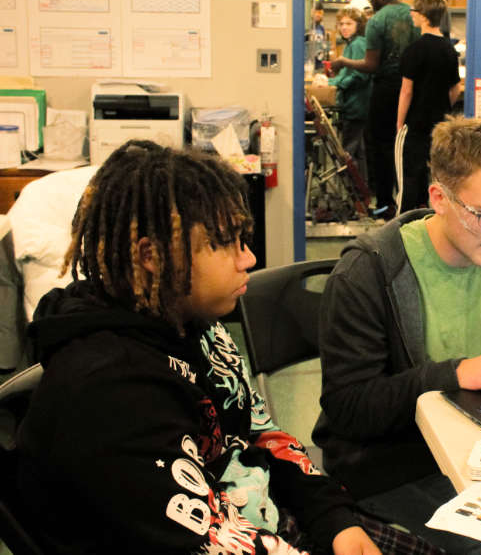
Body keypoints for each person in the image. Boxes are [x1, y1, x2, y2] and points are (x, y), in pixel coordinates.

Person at [15, 140, 438, 554]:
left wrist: (334, 518)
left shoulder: (194, 323)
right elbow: (206, 540)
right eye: (226, 243)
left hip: (268, 517)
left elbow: (260, 432)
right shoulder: (108, 393)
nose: (248, 258)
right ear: (153, 256)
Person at [312, 116, 481, 552]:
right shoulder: (368, 272)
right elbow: (348, 409)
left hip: (480, 453)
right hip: (391, 465)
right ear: (439, 197)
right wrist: (454, 374)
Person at [331, 0, 419, 219]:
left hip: (387, 89)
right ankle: (409, 202)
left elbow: (371, 64)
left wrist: (342, 61)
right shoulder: (413, 15)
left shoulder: (377, 21)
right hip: (413, 88)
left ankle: (385, 204)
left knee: (379, 147)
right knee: (406, 146)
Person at [395, 0, 461, 213]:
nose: (412, 15)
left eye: (414, 11)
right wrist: (443, 109)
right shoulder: (449, 50)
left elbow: (406, 91)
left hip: (415, 126)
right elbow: (455, 89)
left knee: (408, 182)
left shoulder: (414, 50)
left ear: (423, 16)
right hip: (441, 127)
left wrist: (399, 124)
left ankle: (401, 231)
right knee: (437, 182)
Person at [331, 6, 372, 184]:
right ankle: (360, 189)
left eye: (349, 23)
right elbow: (346, 73)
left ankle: (354, 192)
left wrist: (337, 84)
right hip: (353, 105)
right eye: (341, 24)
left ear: (359, 25)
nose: (344, 27)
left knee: (348, 152)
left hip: (357, 105)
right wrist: (330, 83)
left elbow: (359, 75)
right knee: (356, 152)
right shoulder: (351, 44)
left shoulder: (358, 44)